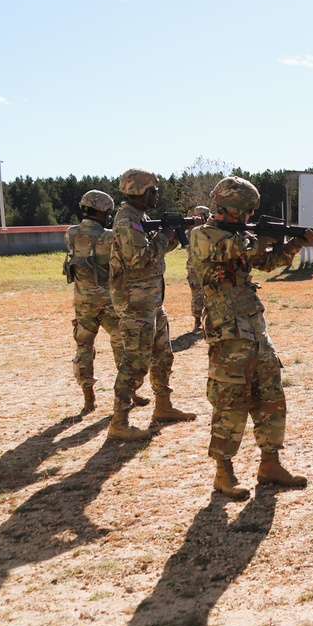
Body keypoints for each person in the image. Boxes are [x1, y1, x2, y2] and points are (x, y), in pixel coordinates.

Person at [190, 176, 313, 500]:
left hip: (254, 329)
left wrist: (294, 243)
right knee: (229, 401)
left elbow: (267, 261)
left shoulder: (244, 236)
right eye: (246, 212)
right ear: (232, 210)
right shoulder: (203, 236)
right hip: (227, 333)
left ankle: (270, 464)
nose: (248, 218)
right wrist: (262, 236)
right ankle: (223, 473)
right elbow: (239, 248)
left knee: (270, 395)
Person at [108, 168, 197, 441]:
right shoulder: (127, 221)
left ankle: (163, 406)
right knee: (135, 363)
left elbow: (154, 254)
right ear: (140, 191)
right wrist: (164, 235)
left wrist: (172, 235)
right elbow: (138, 258)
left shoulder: (140, 217)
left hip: (151, 301)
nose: (156, 194)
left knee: (162, 356)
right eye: (153, 191)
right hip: (136, 304)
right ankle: (119, 421)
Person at [63, 190, 147, 415]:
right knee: (122, 349)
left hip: (82, 304)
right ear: (102, 212)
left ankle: (88, 399)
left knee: (84, 349)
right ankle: (128, 394)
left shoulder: (70, 234)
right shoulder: (109, 237)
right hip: (110, 304)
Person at [186, 205, 211, 332]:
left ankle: (209, 321)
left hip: (208, 267)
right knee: (197, 295)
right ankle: (197, 321)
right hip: (194, 268)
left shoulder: (210, 230)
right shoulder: (190, 231)